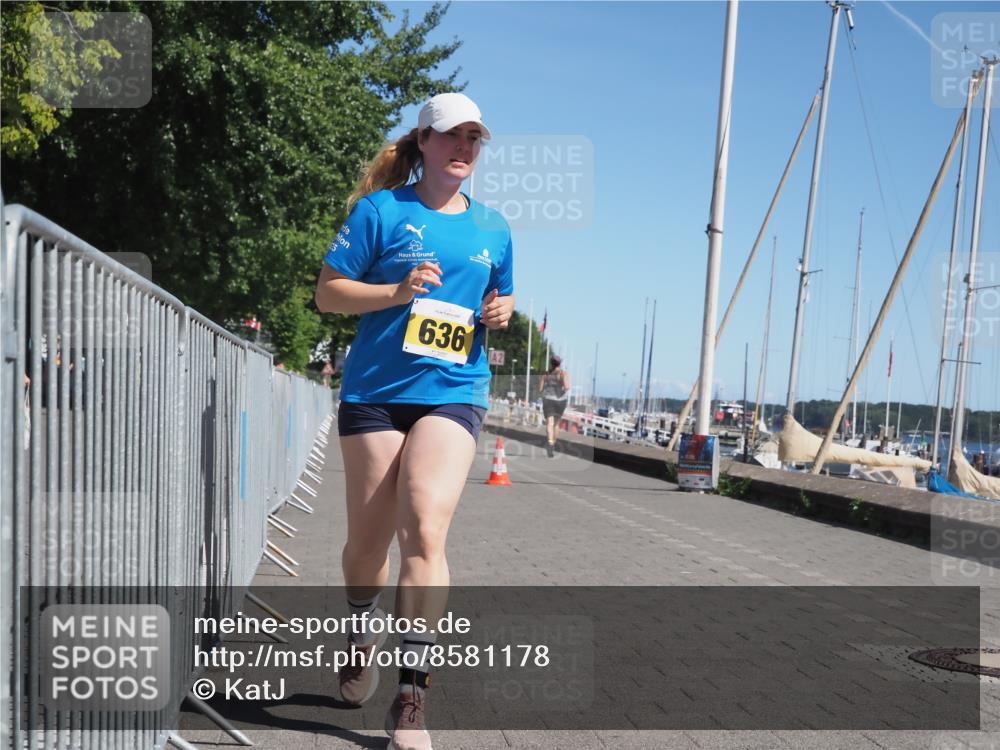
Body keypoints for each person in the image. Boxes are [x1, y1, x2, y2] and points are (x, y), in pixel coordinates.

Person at [314, 92, 514, 750]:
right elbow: (328, 293)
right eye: (452, 135)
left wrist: (501, 312)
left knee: (425, 528)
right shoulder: (381, 211)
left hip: (454, 390)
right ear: (423, 141)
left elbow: (501, 295)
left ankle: (411, 698)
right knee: (367, 545)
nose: (464, 147)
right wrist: (396, 292)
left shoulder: (493, 228)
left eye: (474, 138)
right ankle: (359, 626)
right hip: (375, 393)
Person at [539, 356, 570, 457]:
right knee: (556, 424)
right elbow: (567, 387)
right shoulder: (563, 373)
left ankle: (550, 442)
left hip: (548, 400)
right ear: (559, 363)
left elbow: (540, 389)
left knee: (549, 423)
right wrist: (560, 388)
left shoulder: (546, 374)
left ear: (551, 363)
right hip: (560, 401)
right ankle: (552, 444)